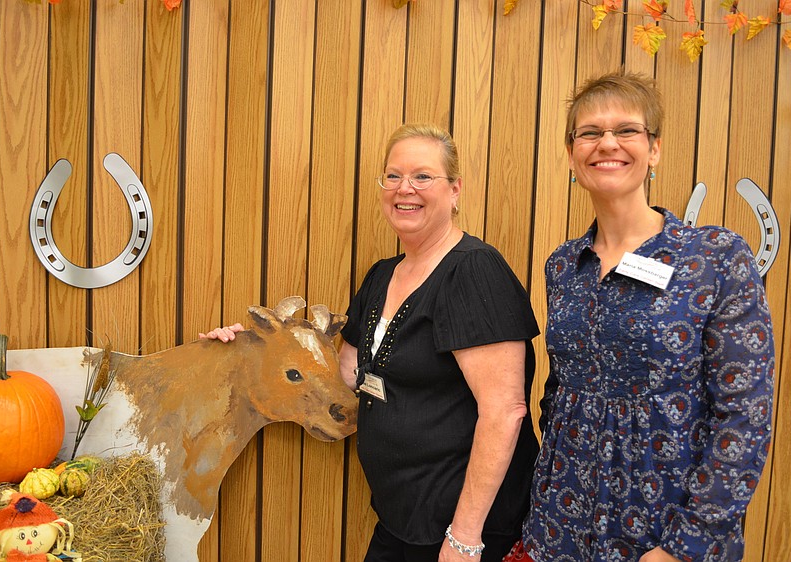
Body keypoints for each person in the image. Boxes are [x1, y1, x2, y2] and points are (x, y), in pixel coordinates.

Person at [203, 123, 541, 561]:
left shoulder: (474, 271)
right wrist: (249, 349)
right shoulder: (383, 275)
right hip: (403, 520)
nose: (405, 189)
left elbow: (504, 411)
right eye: (394, 176)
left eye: (423, 177)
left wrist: (465, 538)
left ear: (455, 190)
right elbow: (342, 376)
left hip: (461, 533)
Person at [518, 71, 775, 562]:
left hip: (663, 532)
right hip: (561, 525)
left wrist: (686, 544)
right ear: (572, 153)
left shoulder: (713, 257)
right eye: (589, 132)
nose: (606, 143)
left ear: (653, 149)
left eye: (627, 130)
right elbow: (560, 390)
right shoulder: (563, 265)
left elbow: (746, 415)